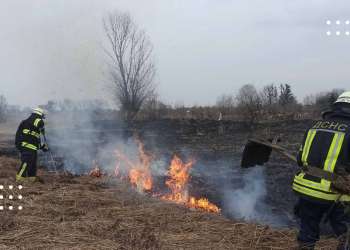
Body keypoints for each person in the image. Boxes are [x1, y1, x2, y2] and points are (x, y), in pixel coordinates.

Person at [292, 91, 350, 249]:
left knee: (307, 232)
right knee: (345, 234)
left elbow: (299, 159)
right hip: (337, 193)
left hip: (307, 189)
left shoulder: (314, 126)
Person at [15, 107, 49, 182]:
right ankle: (19, 179)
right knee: (26, 163)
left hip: (31, 148)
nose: (43, 118)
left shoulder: (29, 123)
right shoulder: (34, 120)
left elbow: (34, 140)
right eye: (42, 116)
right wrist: (42, 127)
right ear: (40, 114)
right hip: (27, 147)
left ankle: (31, 180)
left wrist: (42, 147)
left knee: (33, 165)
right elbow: (38, 122)